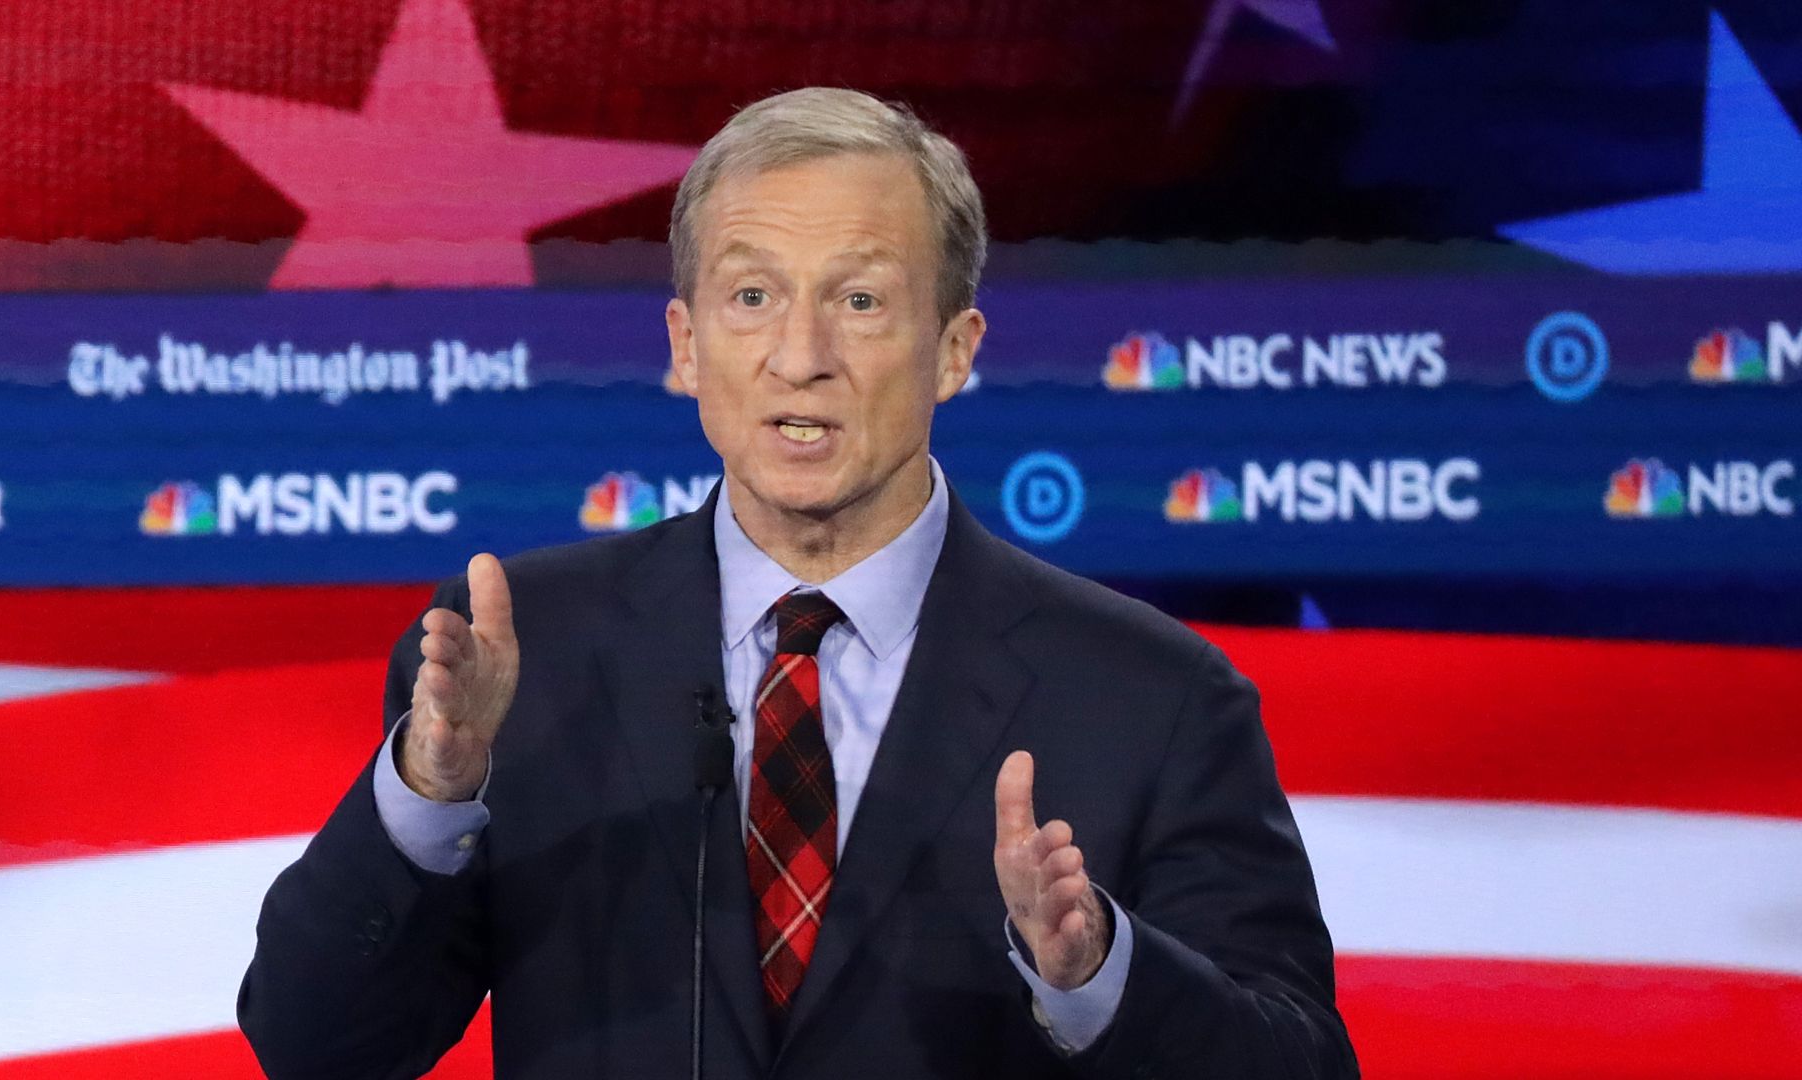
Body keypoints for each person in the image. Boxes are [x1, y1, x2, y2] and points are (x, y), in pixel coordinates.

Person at [238, 87, 1358, 1079]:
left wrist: (1096, 976)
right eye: (752, 297)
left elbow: (1298, 1060)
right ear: (684, 346)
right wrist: (430, 800)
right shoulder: (524, 658)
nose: (799, 353)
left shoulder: (1150, 697)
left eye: (860, 301)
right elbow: (318, 1047)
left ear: (955, 349)